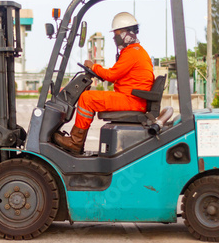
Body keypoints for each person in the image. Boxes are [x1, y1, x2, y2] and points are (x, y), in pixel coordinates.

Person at [54, 12, 155, 154]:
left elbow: (111, 75)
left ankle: (75, 142)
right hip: (132, 98)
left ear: (126, 34)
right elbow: (115, 74)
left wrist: (93, 66)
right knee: (89, 97)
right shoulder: (135, 52)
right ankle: (76, 140)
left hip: (132, 100)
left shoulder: (133, 53)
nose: (115, 37)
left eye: (117, 33)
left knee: (87, 98)